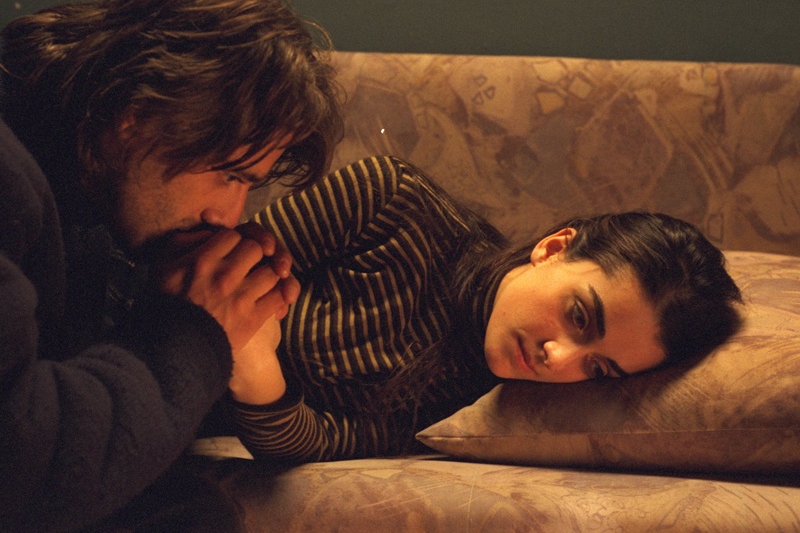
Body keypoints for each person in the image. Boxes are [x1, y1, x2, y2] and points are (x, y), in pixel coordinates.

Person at [0, 0, 342, 532]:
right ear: (137, 115)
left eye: (250, 185)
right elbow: (21, 463)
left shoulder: (90, 193)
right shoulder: (10, 178)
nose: (228, 216)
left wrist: (197, 301)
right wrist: (191, 329)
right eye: (229, 174)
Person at [228, 155, 743, 464]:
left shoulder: (472, 407)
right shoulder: (392, 201)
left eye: (598, 368)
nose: (558, 359)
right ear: (554, 248)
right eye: (579, 317)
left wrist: (255, 362)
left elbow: (313, 446)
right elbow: (216, 271)